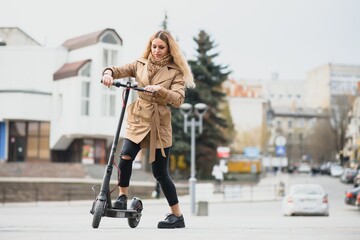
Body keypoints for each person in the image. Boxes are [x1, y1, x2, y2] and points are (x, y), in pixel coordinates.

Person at [101, 30, 195, 229]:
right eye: (154, 46)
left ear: (169, 48)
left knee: (160, 173)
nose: (157, 51)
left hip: (159, 124)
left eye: (161, 47)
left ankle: (177, 215)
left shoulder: (175, 71)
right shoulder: (140, 63)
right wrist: (108, 73)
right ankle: (122, 197)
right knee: (125, 155)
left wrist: (161, 90)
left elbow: (178, 98)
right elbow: (118, 70)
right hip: (138, 118)